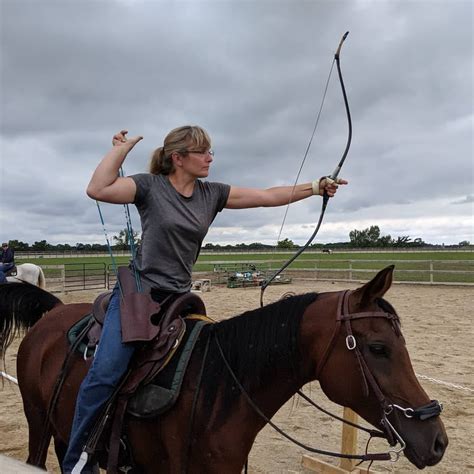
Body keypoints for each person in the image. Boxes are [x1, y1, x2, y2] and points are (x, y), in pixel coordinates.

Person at [63, 126, 347, 473]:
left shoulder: (211, 194)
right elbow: (98, 188)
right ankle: (78, 461)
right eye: (202, 152)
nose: (210, 157)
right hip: (140, 295)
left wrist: (315, 187)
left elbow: (266, 195)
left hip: (180, 298)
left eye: (210, 151)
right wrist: (121, 150)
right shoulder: (150, 187)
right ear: (178, 158)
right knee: (105, 373)